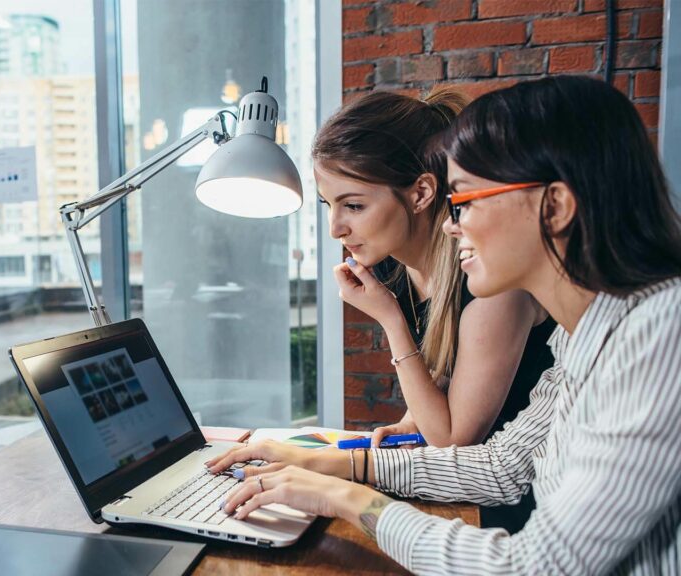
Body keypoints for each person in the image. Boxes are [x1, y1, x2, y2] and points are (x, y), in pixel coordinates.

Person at [207, 75, 681, 574]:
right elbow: (501, 467)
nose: (453, 225)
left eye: (467, 201)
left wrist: (353, 501)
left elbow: (533, 567)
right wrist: (337, 469)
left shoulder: (657, 337)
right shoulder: (578, 337)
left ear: (556, 206)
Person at [312, 88, 555, 532]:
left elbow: (452, 439)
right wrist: (410, 424)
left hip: (513, 512)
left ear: (422, 192)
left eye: (354, 205)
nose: (335, 228)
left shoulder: (493, 280)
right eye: (328, 205)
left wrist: (390, 319)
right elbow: (445, 383)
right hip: (464, 490)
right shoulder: (393, 266)